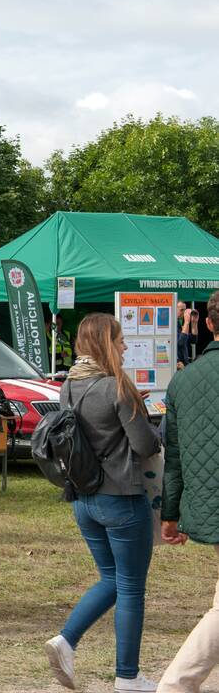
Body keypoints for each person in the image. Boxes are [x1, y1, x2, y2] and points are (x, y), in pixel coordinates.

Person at [43, 313, 161, 692]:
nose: (126, 346)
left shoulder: (69, 387)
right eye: (121, 340)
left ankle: (66, 640)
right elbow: (145, 445)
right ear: (106, 343)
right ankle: (127, 676)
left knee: (112, 579)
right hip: (122, 498)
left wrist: (129, 407)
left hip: (84, 498)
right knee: (130, 588)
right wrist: (139, 412)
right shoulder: (118, 388)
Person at [156, 291, 219, 692]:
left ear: (210, 324)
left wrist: (170, 512)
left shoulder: (184, 379)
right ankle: (176, 684)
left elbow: (174, 454)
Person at [177, 302, 196, 369]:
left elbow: (193, 340)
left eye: (185, 310)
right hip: (177, 364)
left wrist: (194, 323)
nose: (184, 312)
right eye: (181, 310)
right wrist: (187, 322)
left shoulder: (180, 323)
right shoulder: (171, 323)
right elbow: (181, 342)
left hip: (185, 362)